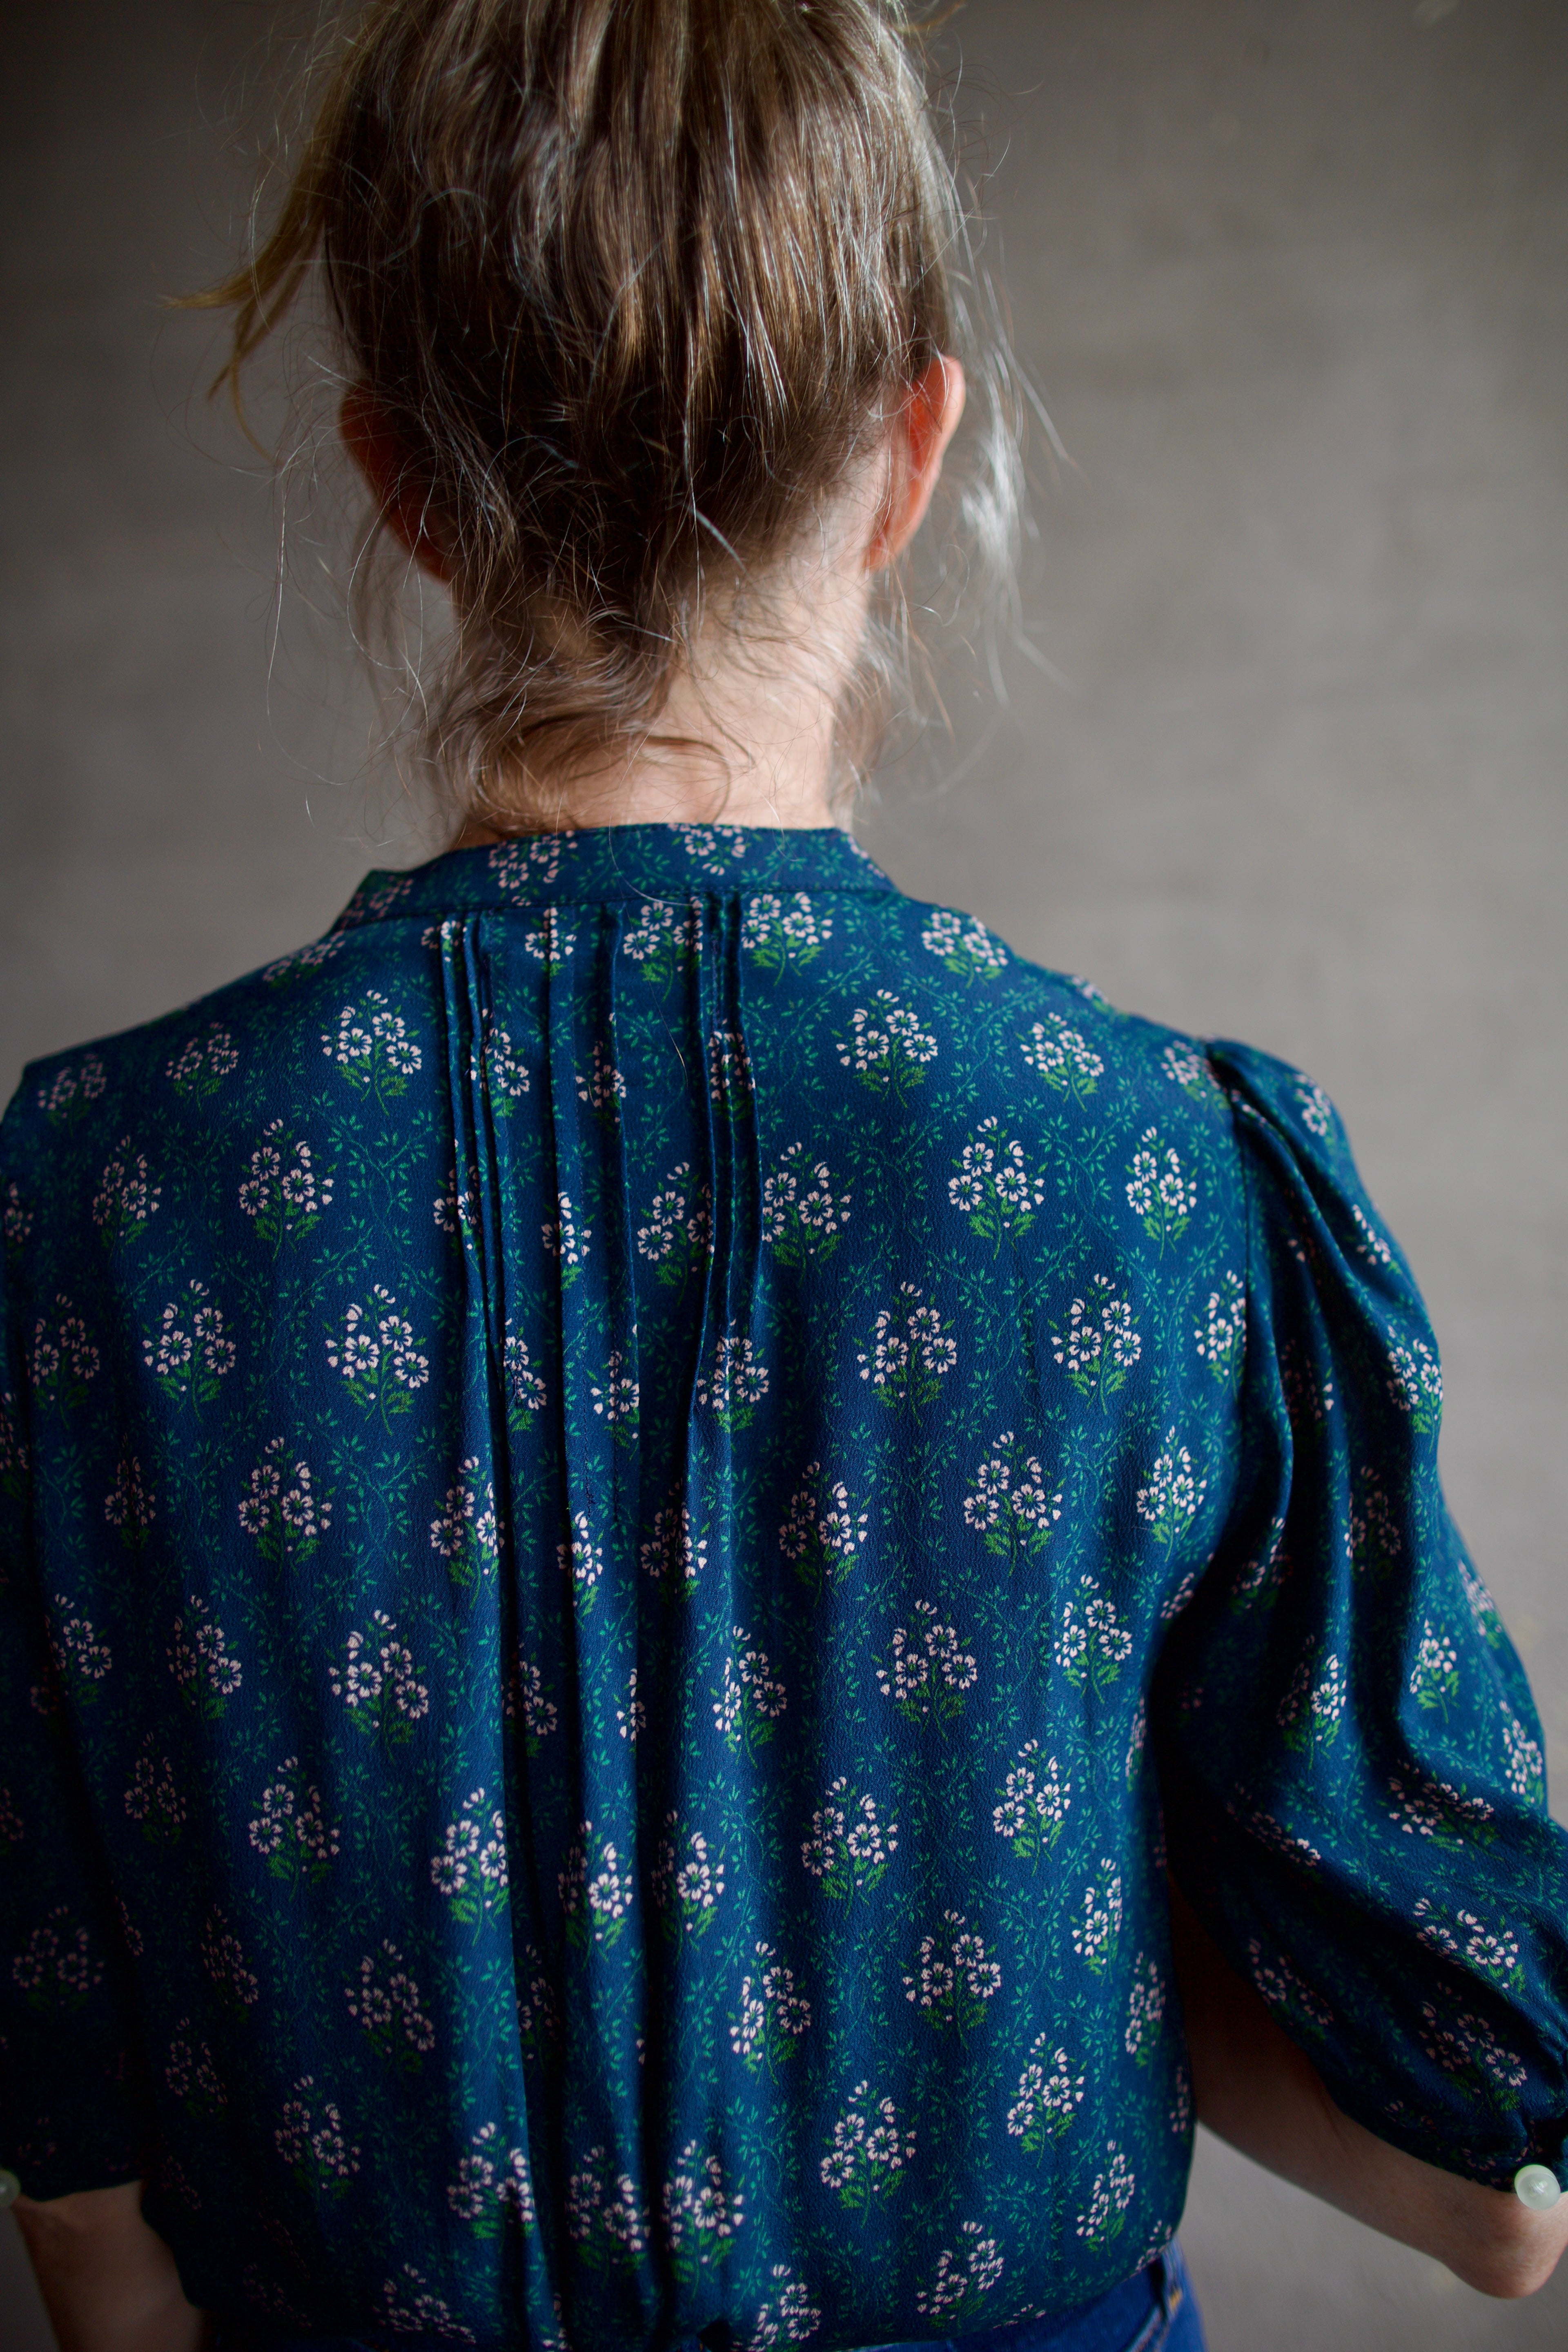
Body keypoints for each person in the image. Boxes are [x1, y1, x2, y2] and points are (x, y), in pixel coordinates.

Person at [4, 5, 1567, 2350]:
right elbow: (1494, 2150)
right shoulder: (1151, 1176)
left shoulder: (95, 1200)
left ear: (400, 481)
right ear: (911, 446)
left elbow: (89, 2205)